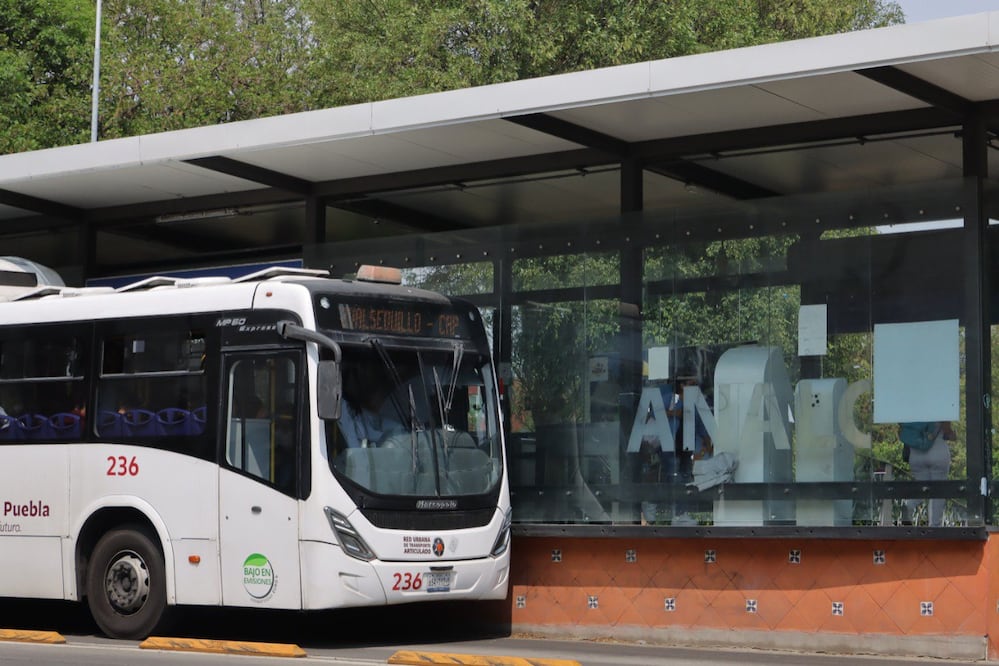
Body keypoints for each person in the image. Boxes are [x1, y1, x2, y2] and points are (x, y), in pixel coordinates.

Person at [903, 421, 955, 527]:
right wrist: (952, 434)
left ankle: (909, 505)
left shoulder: (912, 411)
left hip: (916, 453)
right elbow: (946, 430)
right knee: (938, 491)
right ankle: (935, 526)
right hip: (937, 450)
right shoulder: (938, 408)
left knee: (922, 486)